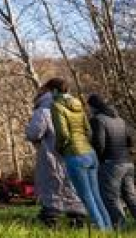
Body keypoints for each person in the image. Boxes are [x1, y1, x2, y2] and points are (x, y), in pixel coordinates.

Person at [48, 78, 111, 230]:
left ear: (55, 91)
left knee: (87, 198)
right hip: (90, 153)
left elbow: (62, 134)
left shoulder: (56, 106)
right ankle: (108, 229)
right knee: (96, 196)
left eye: (51, 91)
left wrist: (58, 149)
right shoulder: (78, 103)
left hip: (75, 154)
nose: (50, 94)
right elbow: (88, 131)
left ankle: (101, 232)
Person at [26, 80, 87, 228]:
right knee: (72, 188)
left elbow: (34, 133)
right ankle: (77, 221)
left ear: (50, 90)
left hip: (52, 156)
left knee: (53, 189)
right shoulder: (77, 109)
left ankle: (51, 224)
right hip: (77, 155)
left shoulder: (44, 110)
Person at [87, 93, 136, 231]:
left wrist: (98, 159)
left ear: (93, 106)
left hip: (111, 163)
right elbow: (130, 141)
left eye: (89, 107)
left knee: (110, 198)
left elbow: (99, 144)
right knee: (131, 197)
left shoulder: (97, 120)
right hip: (127, 163)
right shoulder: (120, 119)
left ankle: (119, 227)